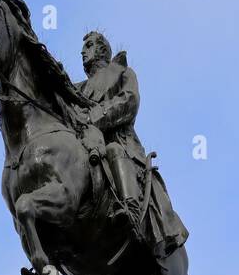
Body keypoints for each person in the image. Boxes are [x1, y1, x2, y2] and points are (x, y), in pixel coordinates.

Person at [79, 31, 188, 258]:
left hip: (119, 142)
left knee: (113, 150)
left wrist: (97, 116)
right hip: (86, 144)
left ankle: (131, 209)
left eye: (89, 45)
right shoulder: (78, 87)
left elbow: (129, 101)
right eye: (84, 47)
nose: (82, 51)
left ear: (102, 50)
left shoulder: (123, 72)